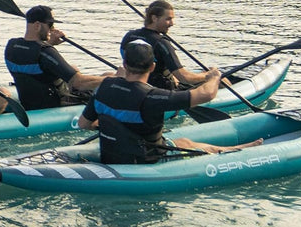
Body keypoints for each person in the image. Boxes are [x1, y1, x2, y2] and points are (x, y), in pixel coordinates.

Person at [78, 40, 262, 164]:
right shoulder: (154, 96)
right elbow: (206, 95)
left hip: (112, 152)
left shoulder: (103, 87)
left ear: (124, 65)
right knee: (187, 145)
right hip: (145, 158)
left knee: (183, 141)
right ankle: (236, 150)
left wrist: (116, 126)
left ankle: (234, 148)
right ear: (152, 67)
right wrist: (214, 77)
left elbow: (84, 123)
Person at [4, 5, 113, 110]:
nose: (52, 29)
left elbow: (34, 59)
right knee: (110, 77)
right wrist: (117, 80)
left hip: (30, 100)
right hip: (55, 103)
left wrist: (49, 43)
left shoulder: (12, 46)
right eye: (50, 25)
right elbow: (78, 83)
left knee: (75, 69)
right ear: (37, 25)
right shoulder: (46, 52)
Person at [120, 0, 222, 91]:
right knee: (223, 80)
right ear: (154, 18)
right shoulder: (161, 42)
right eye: (168, 19)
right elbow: (184, 78)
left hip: (136, 86)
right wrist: (209, 76)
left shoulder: (129, 36)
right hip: (163, 92)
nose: (172, 23)